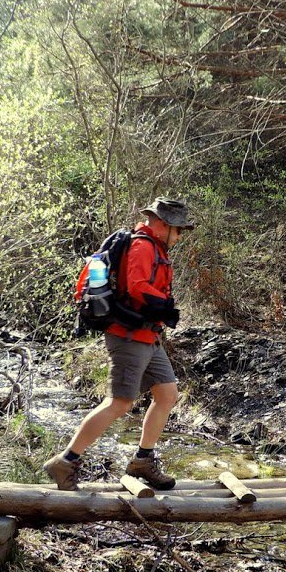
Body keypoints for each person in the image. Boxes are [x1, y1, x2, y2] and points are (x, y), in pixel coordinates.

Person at [42, 197, 195, 492]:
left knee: (167, 394)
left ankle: (142, 461)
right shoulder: (143, 246)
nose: (179, 236)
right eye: (178, 230)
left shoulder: (155, 248)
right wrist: (164, 305)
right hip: (128, 336)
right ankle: (65, 461)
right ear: (163, 225)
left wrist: (163, 311)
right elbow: (137, 286)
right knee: (120, 403)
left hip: (147, 336)